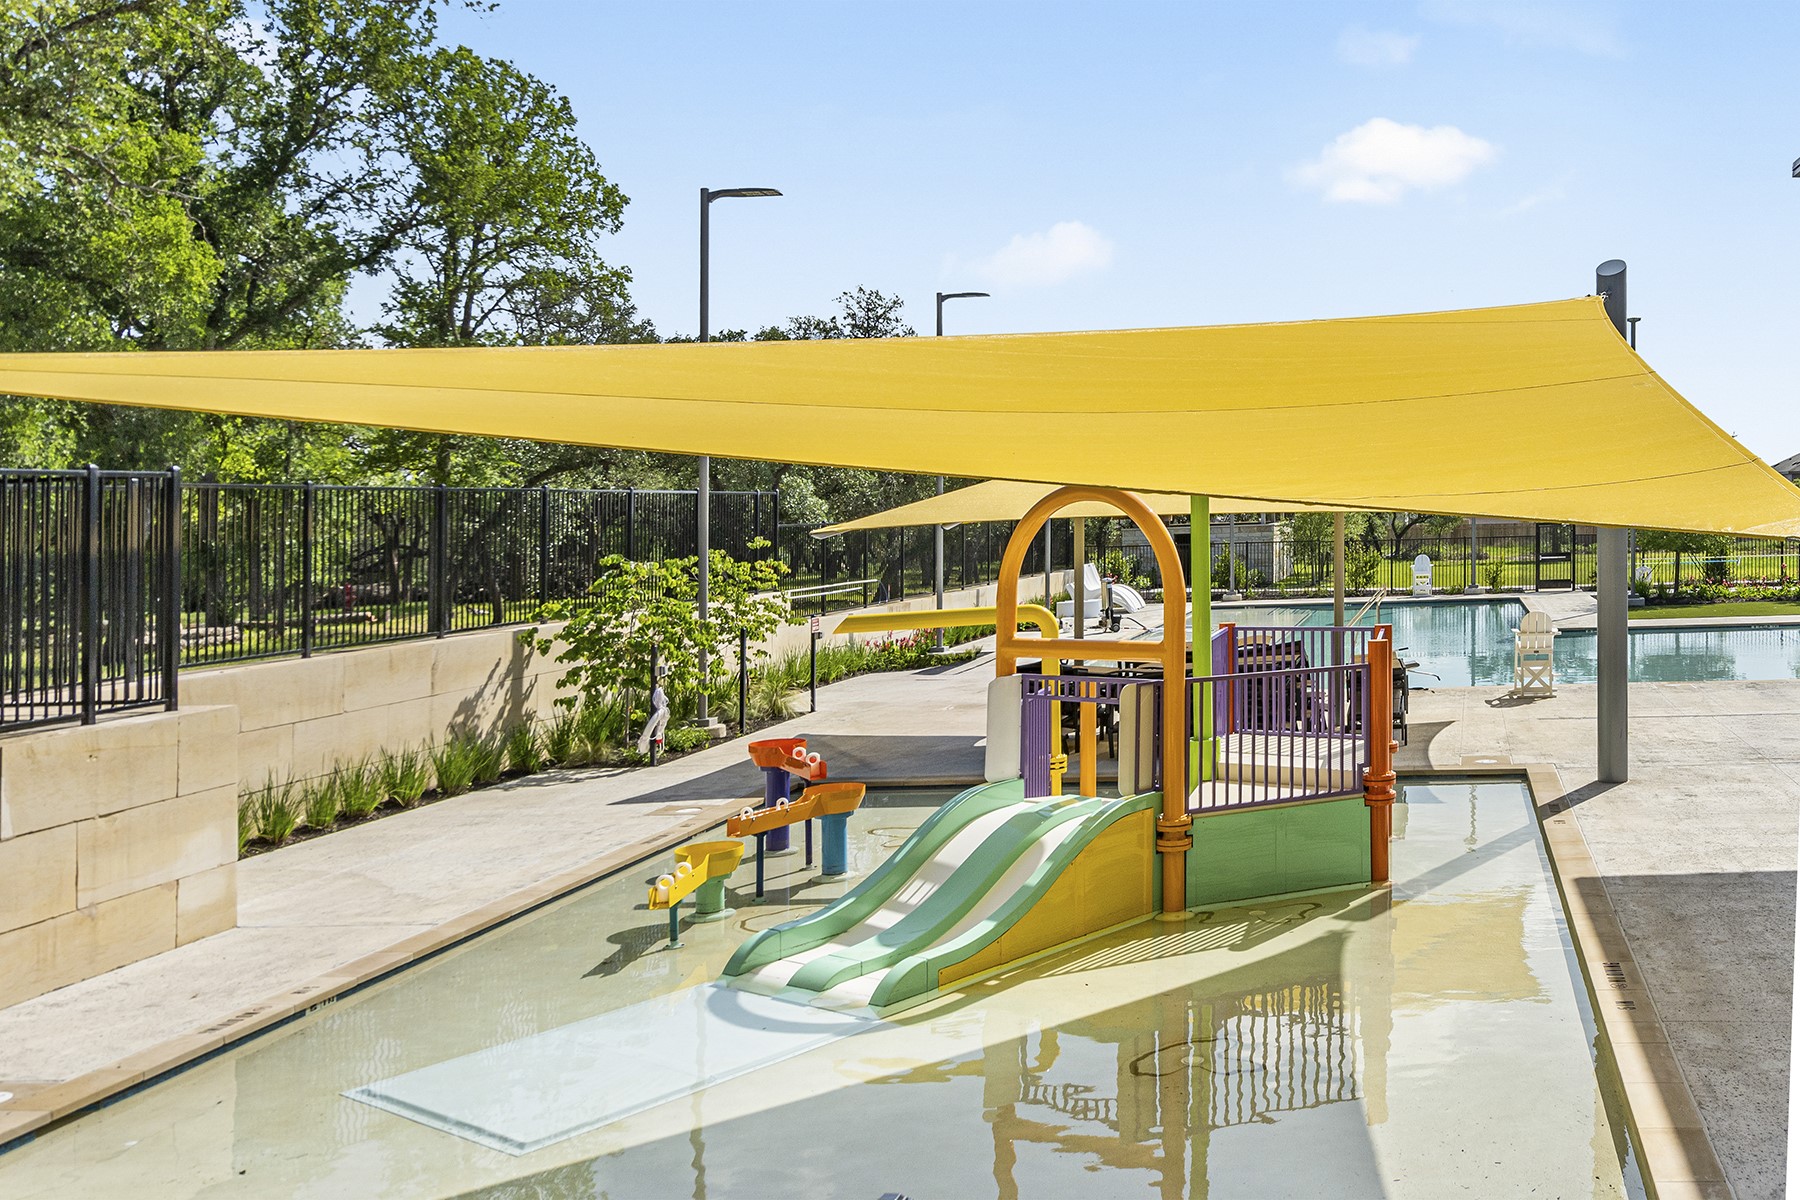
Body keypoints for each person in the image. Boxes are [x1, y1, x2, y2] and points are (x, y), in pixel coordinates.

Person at [636, 675, 669, 756]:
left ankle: (654, 742)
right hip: (659, 715)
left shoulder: (663, 711)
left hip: (660, 715)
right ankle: (644, 748)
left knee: (658, 725)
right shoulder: (661, 710)